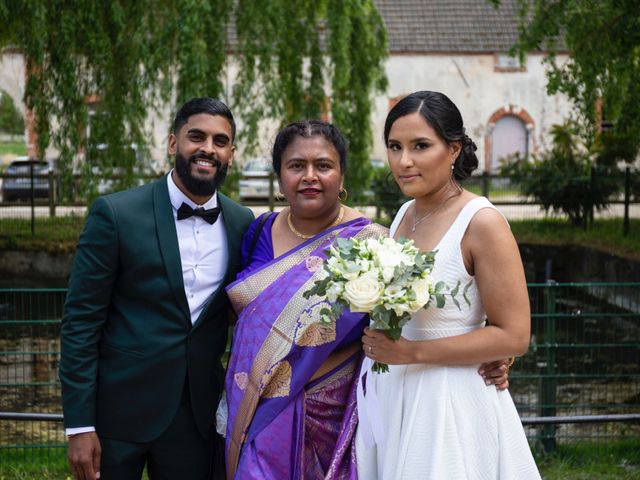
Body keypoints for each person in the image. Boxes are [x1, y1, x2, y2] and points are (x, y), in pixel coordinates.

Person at [222, 119, 511, 479]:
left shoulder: (372, 243)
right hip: (258, 410)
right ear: (280, 178)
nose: (310, 176)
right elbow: (244, 319)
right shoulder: (257, 232)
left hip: (335, 415)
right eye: (296, 166)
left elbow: (417, 321)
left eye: (323, 166)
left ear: (342, 178)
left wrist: (497, 352)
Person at [59, 97, 254, 480]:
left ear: (231, 152)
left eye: (220, 141)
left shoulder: (241, 222)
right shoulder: (115, 214)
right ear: (172, 143)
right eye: (196, 136)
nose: (207, 149)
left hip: (195, 420)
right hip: (116, 416)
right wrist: (79, 425)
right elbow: (80, 323)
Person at [356, 91, 540, 479]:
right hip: (396, 394)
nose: (403, 161)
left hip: (450, 401)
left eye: (420, 146)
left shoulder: (482, 222)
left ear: (453, 149)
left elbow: (515, 335)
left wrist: (410, 353)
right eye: (394, 146)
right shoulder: (405, 213)